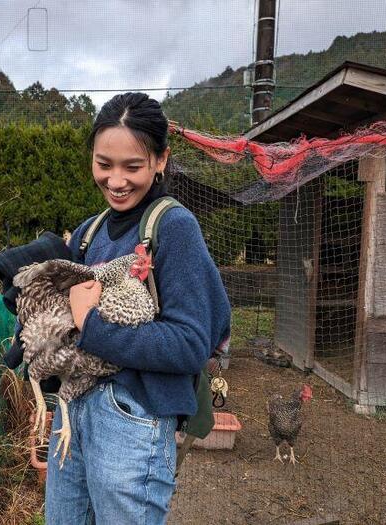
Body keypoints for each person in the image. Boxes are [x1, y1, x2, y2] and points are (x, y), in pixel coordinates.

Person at [45, 92, 231, 524]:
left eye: (133, 166)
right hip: (73, 409)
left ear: (161, 160)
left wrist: (89, 325)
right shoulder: (89, 233)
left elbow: (189, 344)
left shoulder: (174, 227)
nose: (116, 180)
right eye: (104, 164)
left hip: (132, 416)